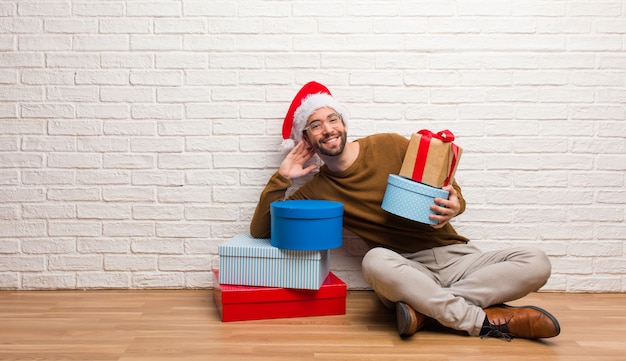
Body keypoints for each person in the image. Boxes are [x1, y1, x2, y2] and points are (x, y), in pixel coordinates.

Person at [249, 81, 560, 341]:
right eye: (315, 126)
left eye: (332, 119)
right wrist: (282, 177)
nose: (327, 129)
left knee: (536, 261)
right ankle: (481, 322)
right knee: (373, 260)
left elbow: (447, 184)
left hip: (455, 258)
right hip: (402, 270)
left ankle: (426, 312)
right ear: (305, 140)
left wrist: (456, 204)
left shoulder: (390, 144)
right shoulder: (317, 190)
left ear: (343, 123)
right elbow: (261, 231)